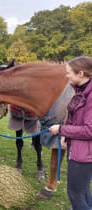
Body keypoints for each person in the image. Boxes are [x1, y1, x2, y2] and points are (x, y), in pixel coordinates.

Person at [49, 56, 92, 210]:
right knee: (84, 192)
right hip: (77, 148)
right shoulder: (81, 91)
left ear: (81, 73)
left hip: (84, 155)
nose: (67, 77)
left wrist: (61, 129)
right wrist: (66, 136)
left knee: (75, 195)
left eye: (69, 73)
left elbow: (90, 130)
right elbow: (76, 118)